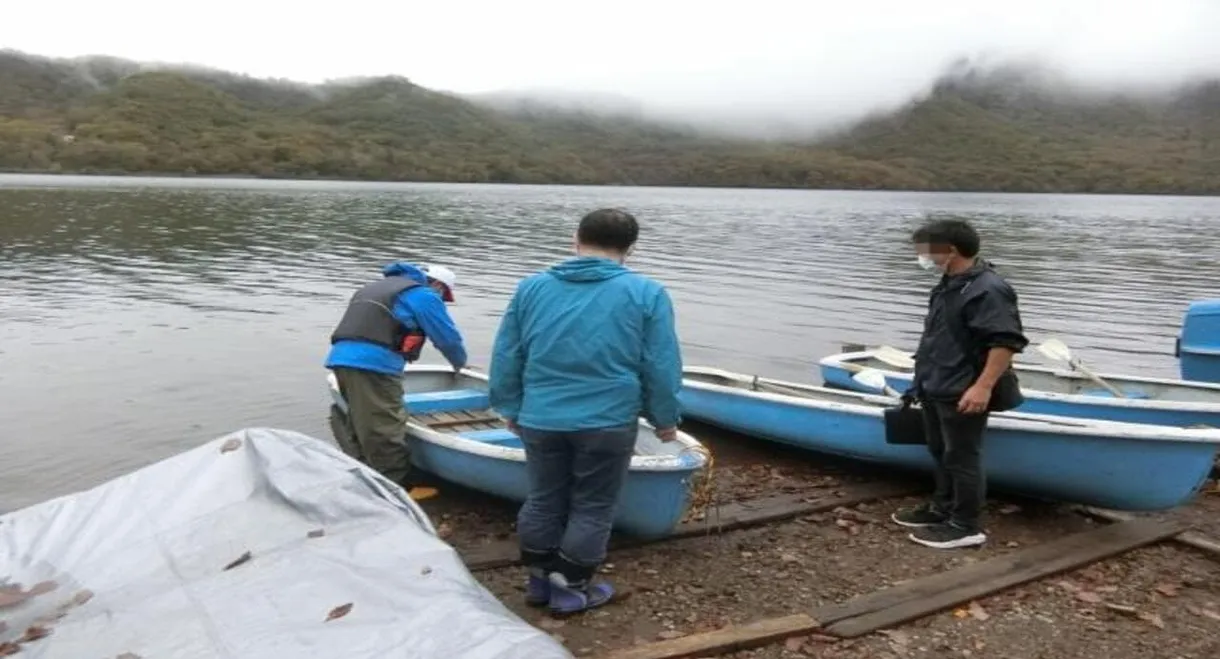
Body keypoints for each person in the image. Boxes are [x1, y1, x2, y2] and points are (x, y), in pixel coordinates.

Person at [488, 208, 682, 615]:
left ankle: (540, 582)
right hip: (608, 419)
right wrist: (664, 417)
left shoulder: (531, 288)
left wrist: (508, 405)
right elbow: (660, 364)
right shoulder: (647, 292)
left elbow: (508, 353)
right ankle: (570, 589)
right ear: (630, 247)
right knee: (592, 505)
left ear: (576, 238)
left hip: (540, 416)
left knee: (543, 498)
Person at [891, 219, 1028, 550]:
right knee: (940, 450)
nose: (920, 255)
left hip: (963, 388)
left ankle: (965, 525)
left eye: (925, 249)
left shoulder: (988, 288)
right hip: (936, 383)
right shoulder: (948, 283)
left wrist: (982, 387)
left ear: (950, 250)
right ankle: (942, 508)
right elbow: (937, 337)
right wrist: (919, 381)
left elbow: (1004, 343)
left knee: (962, 456)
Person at [326, 261, 468, 501]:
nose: (441, 300)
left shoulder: (374, 287)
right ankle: (397, 489)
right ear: (437, 285)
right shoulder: (424, 294)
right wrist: (459, 364)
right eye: (443, 294)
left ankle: (364, 475)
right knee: (385, 425)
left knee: (360, 422)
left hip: (342, 360)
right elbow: (447, 338)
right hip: (373, 365)